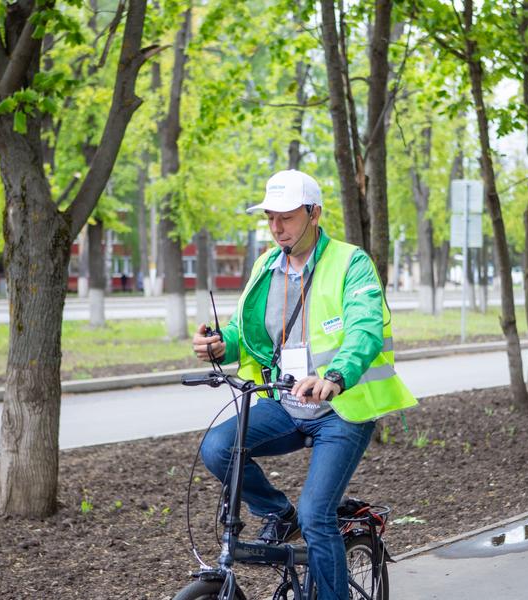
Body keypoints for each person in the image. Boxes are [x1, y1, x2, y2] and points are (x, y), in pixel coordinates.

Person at [192, 169, 417, 600]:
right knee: (218, 448)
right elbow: (248, 332)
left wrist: (335, 377)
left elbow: (365, 331)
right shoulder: (265, 267)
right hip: (285, 404)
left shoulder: (351, 263)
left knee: (317, 514)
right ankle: (278, 512)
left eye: (287, 218)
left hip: (342, 411)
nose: (276, 228)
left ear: (314, 213)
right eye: (270, 218)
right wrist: (223, 346)